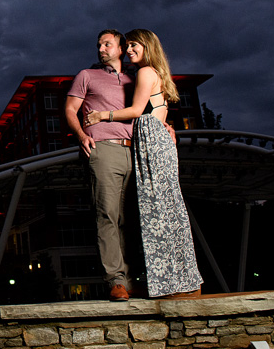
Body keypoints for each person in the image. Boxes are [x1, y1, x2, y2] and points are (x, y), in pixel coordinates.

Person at [85, 28, 203, 299]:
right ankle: (185, 282)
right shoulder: (157, 73)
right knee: (168, 210)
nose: (129, 50)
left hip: (152, 144)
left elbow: (138, 111)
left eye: (134, 45)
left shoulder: (145, 72)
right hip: (158, 141)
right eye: (127, 46)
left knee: (158, 213)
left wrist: (102, 115)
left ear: (148, 46)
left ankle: (173, 285)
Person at [64, 29, 137, 301]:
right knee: (107, 215)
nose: (101, 48)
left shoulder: (136, 78)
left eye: (108, 44)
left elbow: (148, 108)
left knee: (131, 218)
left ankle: (133, 280)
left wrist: (168, 125)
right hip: (104, 149)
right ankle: (117, 281)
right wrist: (82, 135)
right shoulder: (87, 75)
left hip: (136, 151)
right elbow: (71, 110)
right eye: (99, 45)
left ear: (121, 48)